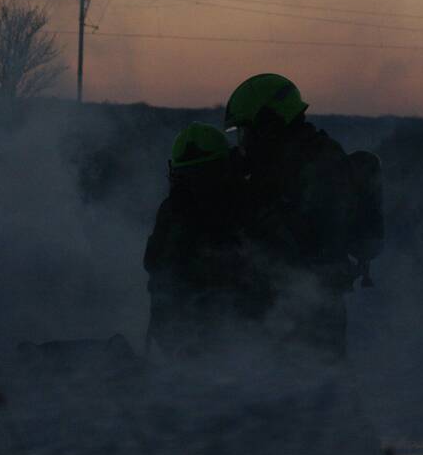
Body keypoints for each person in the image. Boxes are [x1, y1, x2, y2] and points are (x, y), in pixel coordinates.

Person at [224, 73, 360, 357]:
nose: (244, 143)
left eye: (247, 132)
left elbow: (307, 239)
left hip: (308, 305)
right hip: (288, 302)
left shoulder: (318, 165)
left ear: (269, 125)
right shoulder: (284, 159)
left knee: (309, 375)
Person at [143, 122, 295, 357]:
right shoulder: (249, 203)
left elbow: (154, 264)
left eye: (200, 176)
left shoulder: (174, 210)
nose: (197, 187)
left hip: (195, 336)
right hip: (229, 337)